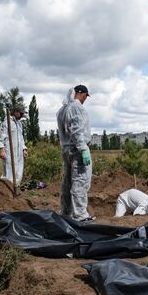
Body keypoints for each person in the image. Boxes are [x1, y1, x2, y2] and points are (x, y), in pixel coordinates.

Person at [56, 84, 95, 222]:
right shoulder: (76, 108)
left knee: (67, 183)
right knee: (80, 181)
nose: (85, 99)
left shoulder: (63, 110)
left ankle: (66, 212)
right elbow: (76, 130)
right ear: (82, 94)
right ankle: (80, 215)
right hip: (77, 150)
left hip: (66, 149)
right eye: (86, 96)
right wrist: (83, 149)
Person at [0, 105, 28, 184]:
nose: (22, 116)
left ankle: (16, 189)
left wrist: (24, 149)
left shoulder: (19, 124)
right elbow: (1, 138)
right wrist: (1, 149)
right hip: (9, 151)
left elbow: (21, 137)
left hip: (19, 151)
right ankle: (6, 190)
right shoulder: (7, 123)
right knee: (9, 171)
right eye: (21, 113)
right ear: (15, 112)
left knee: (19, 171)